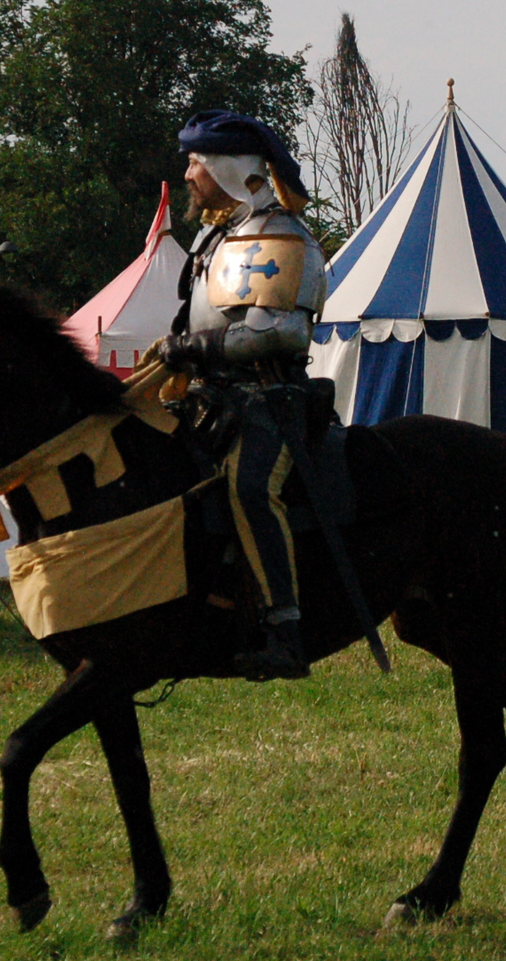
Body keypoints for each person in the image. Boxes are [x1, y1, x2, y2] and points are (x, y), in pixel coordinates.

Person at [144, 109, 327, 679]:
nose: (188, 174)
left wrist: (198, 348)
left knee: (251, 489)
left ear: (228, 168)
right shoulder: (215, 237)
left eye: (196, 162)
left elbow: (279, 330)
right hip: (208, 399)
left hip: (264, 400)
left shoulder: (278, 234)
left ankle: (286, 629)